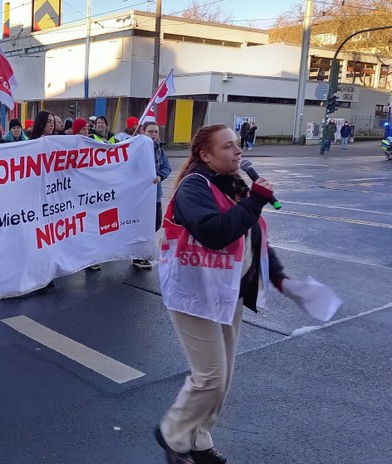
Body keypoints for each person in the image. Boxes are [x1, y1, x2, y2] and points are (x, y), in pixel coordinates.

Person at [155, 124, 287, 464]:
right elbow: (215, 233)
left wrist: (278, 274)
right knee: (210, 377)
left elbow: (252, 234)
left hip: (228, 291)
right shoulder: (193, 188)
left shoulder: (234, 185)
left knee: (222, 379)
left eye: (238, 145)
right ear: (206, 155)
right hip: (195, 290)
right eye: (228, 146)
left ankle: (197, 440)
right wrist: (255, 200)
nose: (238, 151)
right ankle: (172, 432)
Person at [133, 121, 171, 270]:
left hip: (155, 194)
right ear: (143, 132)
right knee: (141, 226)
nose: (154, 134)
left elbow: (166, 167)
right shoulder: (136, 148)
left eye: (156, 132)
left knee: (155, 224)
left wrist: (160, 176)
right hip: (140, 195)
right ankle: (138, 256)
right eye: (151, 132)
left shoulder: (159, 149)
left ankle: (141, 253)